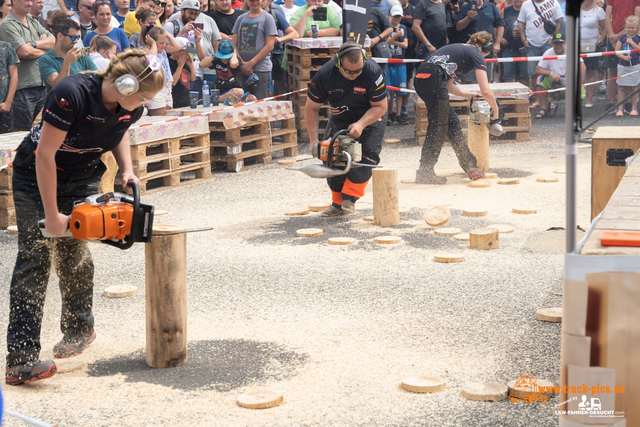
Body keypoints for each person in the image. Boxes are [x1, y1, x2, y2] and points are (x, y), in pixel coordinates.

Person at [4, 50, 164, 386]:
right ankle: (20, 359)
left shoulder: (128, 106)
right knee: (34, 259)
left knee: (75, 255)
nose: (146, 103)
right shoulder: (72, 94)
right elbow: (44, 156)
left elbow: (119, 129)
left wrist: (128, 169)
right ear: (124, 84)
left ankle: (79, 328)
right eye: (144, 95)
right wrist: (53, 216)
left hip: (83, 176)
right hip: (36, 176)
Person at [305, 42, 387, 216]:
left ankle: (350, 198)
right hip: (341, 115)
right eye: (349, 71)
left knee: (367, 157)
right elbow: (311, 108)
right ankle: (337, 202)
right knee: (330, 155)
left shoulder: (372, 72)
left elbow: (380, 106)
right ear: (338, 63)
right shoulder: (325, 75)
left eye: (358, 71)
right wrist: (314, 140)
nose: (355, 75)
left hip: (371, 114)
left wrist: (361, 124)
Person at [413, 31, 498, 184]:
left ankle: (470, 166)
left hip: (421, 78)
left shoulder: (461, 49)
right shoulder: (476, 53)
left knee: (451, 123)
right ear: (487, 46)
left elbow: (449, 87)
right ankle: (425, 171)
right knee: (439, 125)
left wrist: (469, 95)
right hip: (433, 77)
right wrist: (495, 109)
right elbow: (485, 90)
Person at [0, 0, 54, 132]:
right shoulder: (7, 24)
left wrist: (33, 44)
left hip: (42, 86)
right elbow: (23, 52)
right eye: (26, 0)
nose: (30, 3)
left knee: (41, 130)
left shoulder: (31, 19)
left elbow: (53, 41)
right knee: (20, 133)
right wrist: (44, 48)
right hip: (22, 89)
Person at [166, 0, 221, 99]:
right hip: (175, 74)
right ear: (182, 10)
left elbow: (202, 57)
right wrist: (182, 31)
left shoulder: (196, 29)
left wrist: (198, 41)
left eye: (196, 13)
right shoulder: (171, 26)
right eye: (190, 13)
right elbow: (165, 50)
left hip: (196, 74)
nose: (193, 16)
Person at [232, 0, 277, 99]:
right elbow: (234, 44)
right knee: (242, 105)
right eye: (252, 0)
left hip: (261, 70)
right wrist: (243, 64)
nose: (254, 2)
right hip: (242, 70)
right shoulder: (240, 18)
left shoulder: (268, 18)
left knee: (259, 106)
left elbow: (270, 45)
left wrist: (250, 63)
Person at [534, 32, 585, 118]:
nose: (558, 46)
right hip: (555, 83)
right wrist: (551, 73)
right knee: (540, 79)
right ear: (551, 43)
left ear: (565, 43)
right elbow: (538, 69)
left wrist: (579, 83)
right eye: (556, 43)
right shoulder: (548, 53)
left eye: (561, 43)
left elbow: (582, 67)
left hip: (571, 82)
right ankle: (544, 109)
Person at [517, 0, 564, 92]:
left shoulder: (553, 2)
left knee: (549, 72)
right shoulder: (526, 5)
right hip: (531, 44)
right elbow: (521, 23)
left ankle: (551, 99)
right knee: (534, 73)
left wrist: (553, 37)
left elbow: (560, 21)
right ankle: (538, 98)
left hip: (547, 43)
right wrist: (523, 40)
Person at [40, 19, 98, 91]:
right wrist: (67, 62)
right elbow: (58, 86)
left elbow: (97, 78)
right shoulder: (45, 59)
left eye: (78, 37)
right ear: (60, 36)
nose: (76, 41)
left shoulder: (82, 52)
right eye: (73, 37)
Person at [604, 0, 640, 113]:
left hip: (629, 35)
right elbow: (607, 16)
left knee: (629, 70)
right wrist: (612, 36)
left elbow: (637, 18)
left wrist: (619, 36)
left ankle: (628, 103)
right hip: (613, 36)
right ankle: (612, 103)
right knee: (612, 70)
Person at [455, 0, 504, 82]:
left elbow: (500, 25)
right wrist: (468, 18)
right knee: (467, 81)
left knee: (486, 80)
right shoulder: (464, 8)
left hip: (487, 49)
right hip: (469, 51)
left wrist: (497, 43)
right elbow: (458, 27)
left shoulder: (491, 7)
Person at [140, 25, 179, 114]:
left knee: (168, 117)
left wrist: (167, 34)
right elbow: (152, 58)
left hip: (167, 88)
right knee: (159, 118)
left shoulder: (163, 49)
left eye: (165, 42)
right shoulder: (145, 49)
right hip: (156, 89)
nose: (164, 45)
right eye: (161, 43)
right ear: (151, 41)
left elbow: (178, 47)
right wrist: (153, 44)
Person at [261, 0, 297, 95]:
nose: (259, 2)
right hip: (257, 55)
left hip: (276, 53)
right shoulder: (246, 16)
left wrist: (280, 39)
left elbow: (294, 33)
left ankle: (282, 106)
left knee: (281, 84)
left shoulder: (274, 14)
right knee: (263, 87)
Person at [198, 38, 244, 103]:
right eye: (223, 56)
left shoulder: (235, 60)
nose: (226, 59)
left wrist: (234, 52)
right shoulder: (218, 60)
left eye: (228, 56)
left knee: (240, 92)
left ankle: (215, 99)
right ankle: (217, 98)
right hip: (221, 92)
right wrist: (215, 55)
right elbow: (202, 64)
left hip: (233, 91)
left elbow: (233, 64)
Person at [580, 0, 605, 108]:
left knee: (590, 72)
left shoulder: (599, 11)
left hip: (592, 46)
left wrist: (600, 41)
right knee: (575, 73)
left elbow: (605, 29)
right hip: (575, 45)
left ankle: (589, 99)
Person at [386, 5, 408, 126]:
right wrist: (395, 36)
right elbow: (385, 43)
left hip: (400, 61)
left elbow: (405, 45)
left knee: (400, 89)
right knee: (389, 89)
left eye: (399, 16)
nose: (397, 18)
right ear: (390, 15)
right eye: (395, 16)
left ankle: (398, 114)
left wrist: (392, 40)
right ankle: (391, 112)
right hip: (389, 61)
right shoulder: (387, 27)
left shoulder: (403, 27)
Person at [615, 16, 640, 117]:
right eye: (628, 27)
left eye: (633, 27)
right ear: (625, 28)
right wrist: (624, 58)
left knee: (634, 87)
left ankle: (634, 107)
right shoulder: (622, 38)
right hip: (622, 66)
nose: (630, 30)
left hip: (634, 66)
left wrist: (632, 43)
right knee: (622, 87)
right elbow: (617, 51)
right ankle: (620, 108)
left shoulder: (638, 38)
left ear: (637, 27)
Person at [500, 0, 527, 87]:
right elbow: (497, 25)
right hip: (508, 46)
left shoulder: (527, 9)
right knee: (508, 74)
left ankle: (525, 96)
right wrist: (500, 38)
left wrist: (522, 32)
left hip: (524, 46)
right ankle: (510, 95)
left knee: (525, 74)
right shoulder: (505, 10)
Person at [399, 0, 414, 122]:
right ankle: (394, 110)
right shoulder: (392, 9)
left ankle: (404, 107)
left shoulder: (413, 10)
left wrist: (416, 46)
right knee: (395, 81)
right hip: (396, 51)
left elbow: (417, 28)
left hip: (410, 50)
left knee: (408, 78)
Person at [0, 39, 18, 134]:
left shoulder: (6, 47)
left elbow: (14, 76)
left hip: (3, 106)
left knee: (4, 143)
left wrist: (8, 102)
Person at [367, 7, 392, 75]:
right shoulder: (355, 13)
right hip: (364, 53)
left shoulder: (375, 11)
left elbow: (390, 29)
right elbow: (343, 30)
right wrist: (362, 35)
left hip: (380, 52)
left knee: (382, 77)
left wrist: (377, 39)